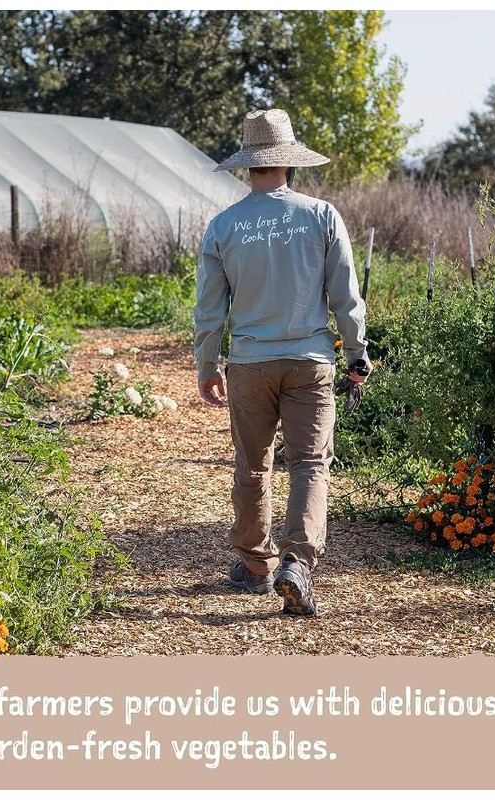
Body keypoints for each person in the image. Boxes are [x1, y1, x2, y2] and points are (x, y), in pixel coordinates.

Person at [194, 108, 371, 617]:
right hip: (311, 360)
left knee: (253, 464)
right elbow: (346, 297)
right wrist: (357, 353)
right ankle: (297, 562)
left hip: (249, 364)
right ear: (290, 164)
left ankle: (254, 565)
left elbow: (210, 309)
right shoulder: (321, 216)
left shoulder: (224, 226)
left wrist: (208, 366)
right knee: (310, 463)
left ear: (248, 165)